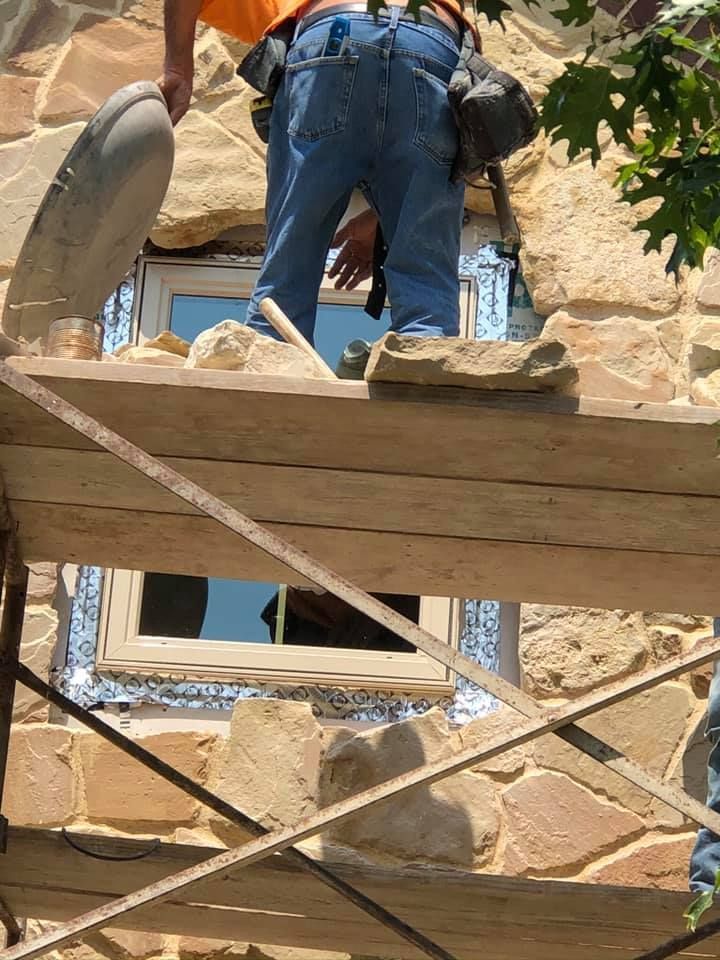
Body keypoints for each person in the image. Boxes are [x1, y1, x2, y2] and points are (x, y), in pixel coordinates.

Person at [161, 0, 475, 345]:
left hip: (331, 35)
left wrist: (178, 68)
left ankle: (271, 360)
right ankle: (426, 361)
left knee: (285, 285)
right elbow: (405, 140)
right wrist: (389, 219)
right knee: (426, 304)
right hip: (432, 41)